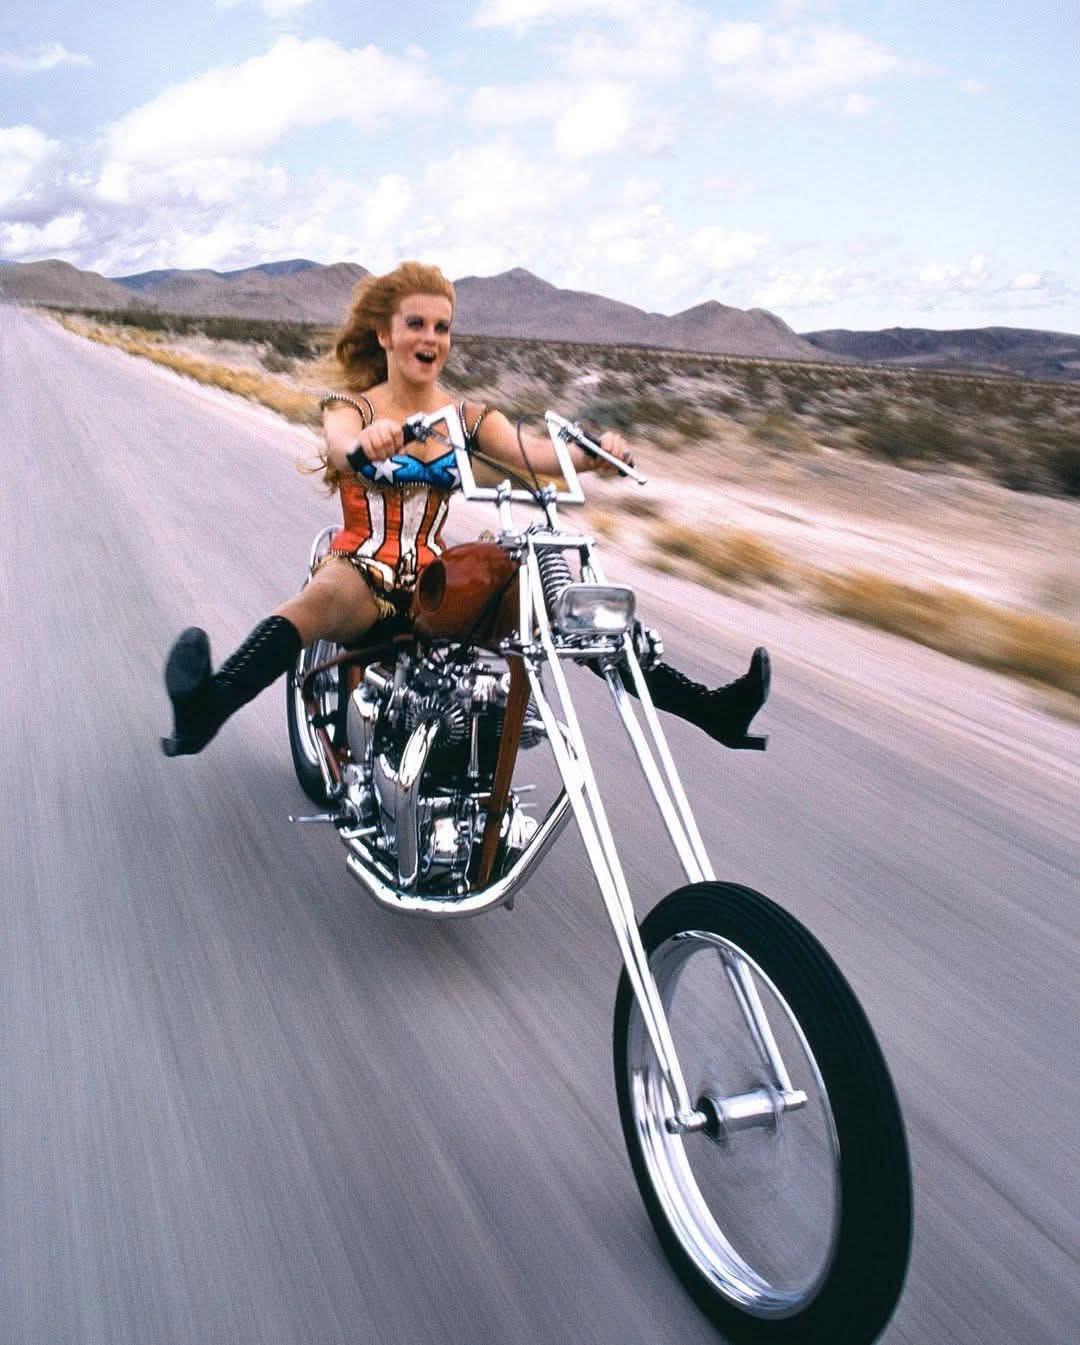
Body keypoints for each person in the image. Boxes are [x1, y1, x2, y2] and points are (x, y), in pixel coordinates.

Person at [161, 260, 768, 758]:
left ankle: (711, 710)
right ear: (385, 335)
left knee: (563, 607)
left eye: (442, 327)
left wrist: (592, 456)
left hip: (434, 575)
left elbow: (537, 456)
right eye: (416, 324)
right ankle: (207, 707)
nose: (430, 338)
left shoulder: (469, 417)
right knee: (313, 605)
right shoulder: (353, 407)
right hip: (363, 571)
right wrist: (367, 444)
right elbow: (341, 447)